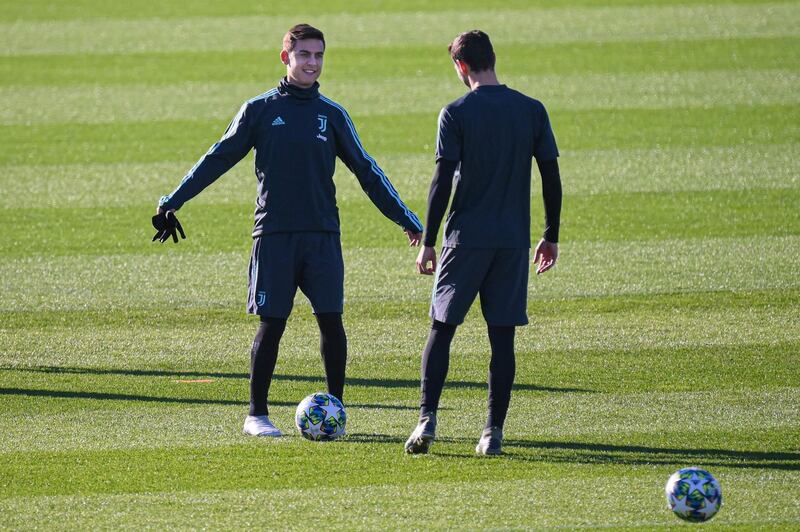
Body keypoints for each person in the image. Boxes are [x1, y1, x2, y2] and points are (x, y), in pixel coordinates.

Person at [152, 24, 423, 437]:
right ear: (286, 58)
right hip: (274, 236)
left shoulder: (332, 115)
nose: (312, 63)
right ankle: (256, 415)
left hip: (322, 238)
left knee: (332, 322)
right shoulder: (259, 110)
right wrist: (173, 199)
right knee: (271, 324)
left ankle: (336, 411)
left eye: (318, 56)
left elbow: (368, 172)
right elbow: (217, 158)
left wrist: (407, 220)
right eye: (304, 55)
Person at [404, 30, 562, 456]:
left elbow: (441, 182)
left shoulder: (455, 113)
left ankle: (426, 421)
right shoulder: (531, 110)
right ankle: (492, 431)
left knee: (441, 328)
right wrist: (551, 235)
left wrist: (429, 241)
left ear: (460, 67)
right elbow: (551, 177)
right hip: (511, 242)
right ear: (494, 58)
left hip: (464, 241)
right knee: (502, 338)